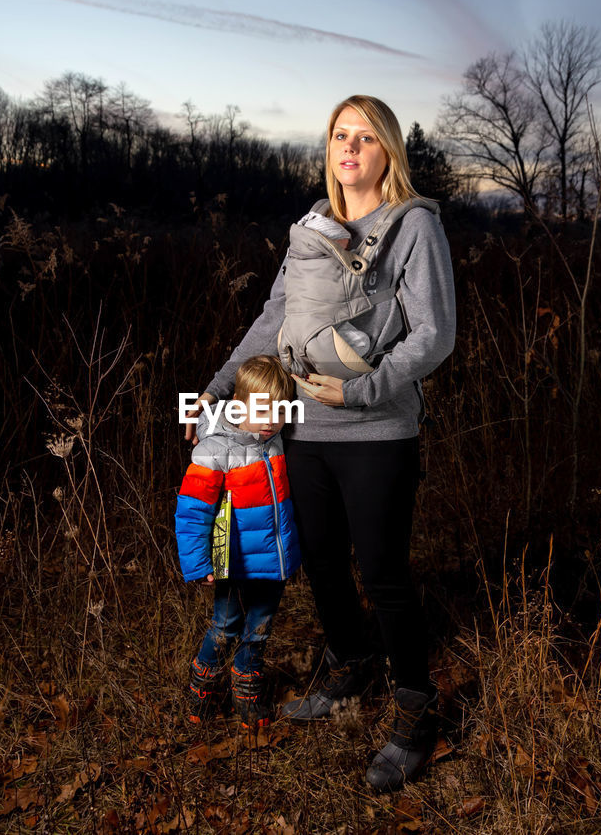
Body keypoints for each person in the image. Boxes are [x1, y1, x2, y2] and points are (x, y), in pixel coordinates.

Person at [183, 95, 456, 791]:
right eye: (341, 135)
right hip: (302, 427)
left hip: (377, 429)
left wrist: (362, 391)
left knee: (382, 571)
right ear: (328, 146)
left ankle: (416, 712)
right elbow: (273, 316)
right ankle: (348, 664)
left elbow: (433, 334)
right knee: (324, 563)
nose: (351, 147)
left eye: (366, 137)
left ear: (387, 150)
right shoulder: (311, 229)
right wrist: (218, 386)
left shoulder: (414, 226)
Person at [174, 355, 302, 729]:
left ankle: (246, 687)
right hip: (231, 562)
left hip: (271, 562)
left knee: (260, 626)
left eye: (280, 410)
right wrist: (199, 564)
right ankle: (204, 687)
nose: (271, 419)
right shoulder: (214, 449)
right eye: (262, 409)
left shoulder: (276, 439)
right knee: (226, 624)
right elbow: (192, 510)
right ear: (240, 404)